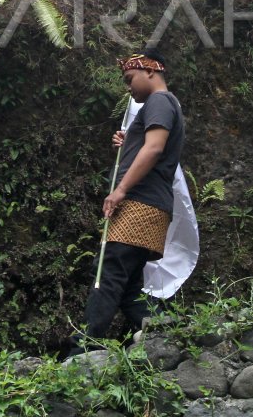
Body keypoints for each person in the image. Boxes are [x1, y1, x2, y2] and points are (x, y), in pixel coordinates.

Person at [81, 50, 184, 345]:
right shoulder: (165, 105)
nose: (127, 87)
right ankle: (168, 337)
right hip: (152, 205)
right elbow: (150, 146)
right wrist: (130, 143)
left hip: (139, 204)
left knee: (109, 272)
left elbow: (153, 149)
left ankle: (83, 349)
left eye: (130, 79)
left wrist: (121, 190)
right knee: (128, 286)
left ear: (150, 71)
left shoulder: (159, 101)